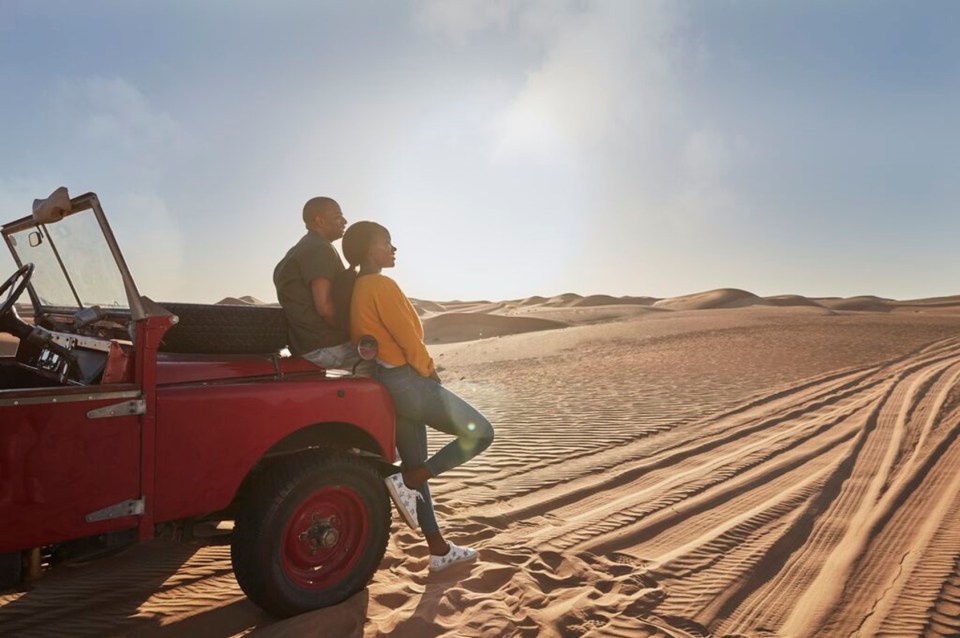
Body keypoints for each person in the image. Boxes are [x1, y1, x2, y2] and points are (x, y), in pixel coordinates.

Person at [340, 221, 494, 572]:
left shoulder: (359, 288)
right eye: (386, 243)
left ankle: (438, 549)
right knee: (481, 433)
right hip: (409, 381)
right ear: (368, 250)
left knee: (416, 468)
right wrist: (428, 370)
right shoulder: (380, 283)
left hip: (388, 383)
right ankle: (408, 481)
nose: (393, 249)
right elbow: (408, 337)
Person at [273, 197, 355, 368]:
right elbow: (324, 307)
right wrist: (347, 331)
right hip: (325, 348)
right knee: (387, 363)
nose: (344, 221)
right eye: (338, 216)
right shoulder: (320, 248)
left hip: (307, 346)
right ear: (320, 220)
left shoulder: (299, 249)